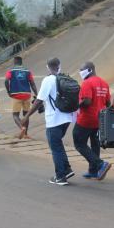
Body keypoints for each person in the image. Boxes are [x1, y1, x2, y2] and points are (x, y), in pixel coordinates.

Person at [22, 58, 76, 186]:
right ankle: (67, 170)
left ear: (47, 67)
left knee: (55, 147)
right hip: (67, 117)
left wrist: (27, 116)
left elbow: (39, 100)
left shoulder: (48, 80)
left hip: (54, 119)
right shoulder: (65, 78)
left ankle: (60, 176)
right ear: (59, 66)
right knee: (58, 144)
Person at [73, 62, 111, 180]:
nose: (80, 71)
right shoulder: (104, 83)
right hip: (99, 119)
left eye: (82, 69)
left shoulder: (87, 83)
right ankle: (93, 170)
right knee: (94, 143)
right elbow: (108, 103)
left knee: (79, 143)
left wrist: (76, 105)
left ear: (89, 70)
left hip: (86, 119)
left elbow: (87, 101)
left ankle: (100, 164)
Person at [5, 56, 37, 139]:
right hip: (27, 95)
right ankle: (26, 134)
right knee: (26, 114)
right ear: (21, 62)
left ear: (14, 62)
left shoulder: (11, 71)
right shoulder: (27, 71)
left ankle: (22, 128)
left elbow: (6, 80)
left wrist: (8, 91)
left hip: (16, 95)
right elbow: (32, 83)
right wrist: (37, 94)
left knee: (15, 115)